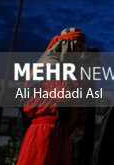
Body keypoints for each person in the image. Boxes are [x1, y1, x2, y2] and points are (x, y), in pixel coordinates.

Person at [17, 27, 87, 165]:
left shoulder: (75, 74)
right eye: (78, 46)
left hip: (65, 136)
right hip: (45, 131)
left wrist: (80, 126)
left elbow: (81, 104)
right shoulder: (45, 67)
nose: (82, 52)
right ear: (68, 45)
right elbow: (28, 107)